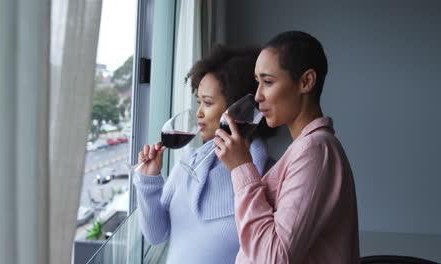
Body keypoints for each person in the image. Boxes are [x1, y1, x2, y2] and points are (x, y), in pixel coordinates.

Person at [214, 31, 360, 263]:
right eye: (257, 82)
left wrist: (241, 168)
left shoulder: (316, 150)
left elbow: (274, 257)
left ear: (306, 82)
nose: (258, 96)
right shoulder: (306, 148)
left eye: (268, 82)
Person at [133, 44, 275, 264]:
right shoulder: (189, 161)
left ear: (240, 109)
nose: (198, 112)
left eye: (207, 103)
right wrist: (149, 181)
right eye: (199, 101)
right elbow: (156, 235)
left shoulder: (267, 176)